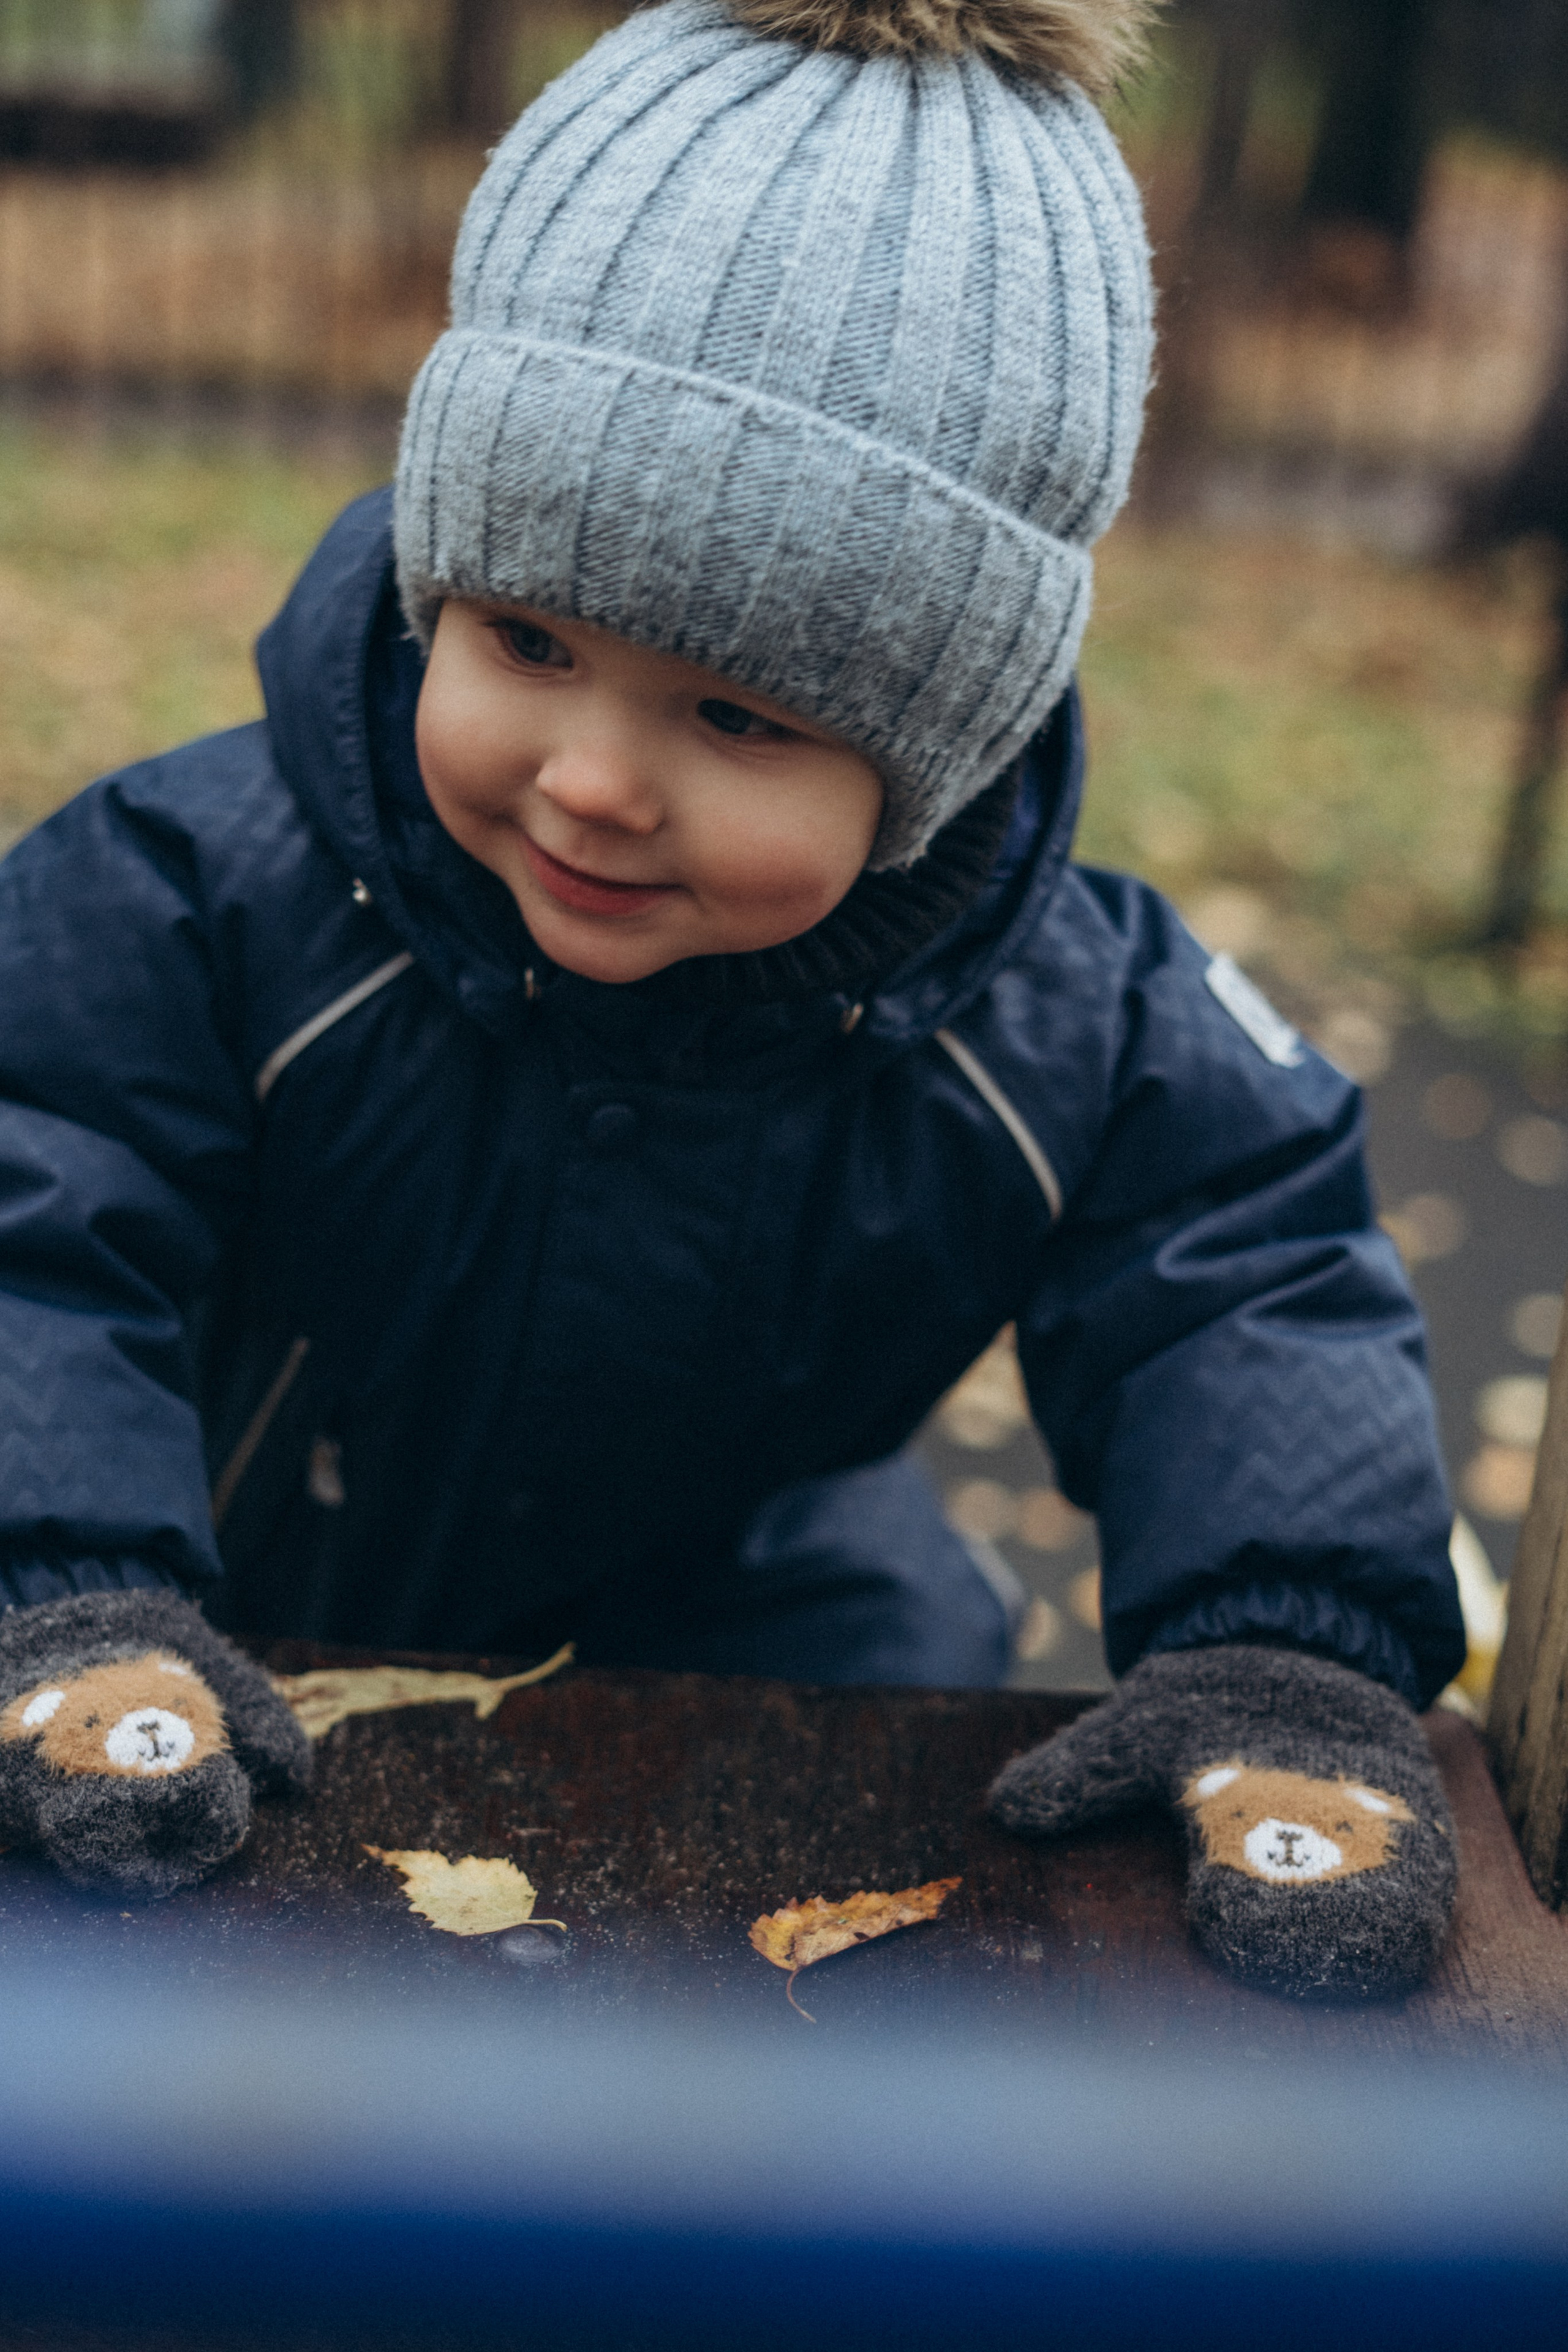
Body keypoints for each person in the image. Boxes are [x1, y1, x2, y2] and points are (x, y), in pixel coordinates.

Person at [0, 0, 1464, 1994]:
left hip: (741, 1571)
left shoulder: (1055, 1021)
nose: (595, 778)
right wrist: (70, 1578)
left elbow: (1248, 1276)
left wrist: (1284, 1660)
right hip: (239, 1571)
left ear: (932, 747)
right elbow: (35, 1213)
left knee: (917, 1790)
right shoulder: (198, 896)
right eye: (524, 637)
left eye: (737, 715)